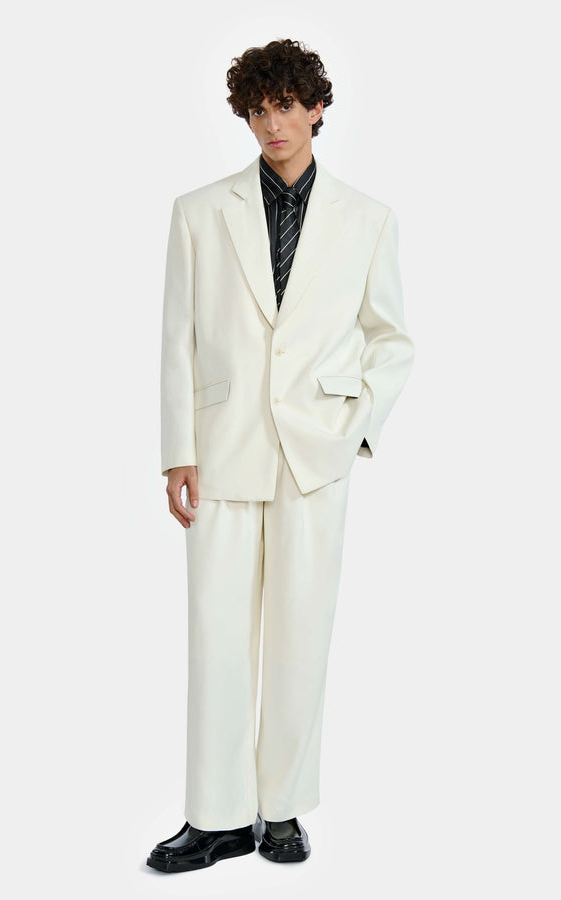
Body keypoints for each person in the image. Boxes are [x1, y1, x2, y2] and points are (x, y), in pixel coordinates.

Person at [147, 37, 414, 873]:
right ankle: (217, 817)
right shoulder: (199, 211)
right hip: (222, 449)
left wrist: (353, 426)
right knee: (217, 639)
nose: (272, 124)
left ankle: (282, 807)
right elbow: (178, 337)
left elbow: (391, 340)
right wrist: (177, 450)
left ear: (317, 108)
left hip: (314, 458)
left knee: (301, 638)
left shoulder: (368, 219)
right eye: (258, 110)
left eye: (287, 107)